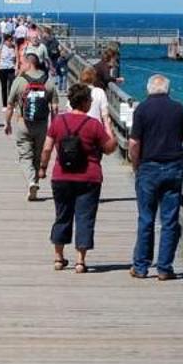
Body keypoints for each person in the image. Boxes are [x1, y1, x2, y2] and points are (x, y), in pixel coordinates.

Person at [44, 82, 118, 272]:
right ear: (85, 102)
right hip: (89, 178)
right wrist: (110, 130)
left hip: (61, 176)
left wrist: (42, 168)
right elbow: (109, 148)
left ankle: (59, 258)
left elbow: (47, 147)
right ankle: (80, 261)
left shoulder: (58, 121)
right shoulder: (93, 124)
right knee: (85, 218)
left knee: (62, 216)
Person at [129, 74, 183, 280]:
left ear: (149, 89)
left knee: (146, 218)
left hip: (148, 166)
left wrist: (135, 164)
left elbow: (133, 143)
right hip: (174, 166)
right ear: (168, 89)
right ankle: (165, 268)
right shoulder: (178, 108)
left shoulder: (142, 109)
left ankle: (141, 266)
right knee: (169, 219)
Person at [3, 54, 58, 201]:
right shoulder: (49, 82)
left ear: (28, 64)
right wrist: (55, 126)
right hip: (41, 125)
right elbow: (55, 108)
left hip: (23, 123)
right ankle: (35, 184)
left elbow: (10, 106)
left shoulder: (19, 81)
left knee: (25, 156)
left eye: (21, 63)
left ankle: (31, 181)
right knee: (38, 155)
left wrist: (7, 123)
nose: (20, 66)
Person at [0, 34, 19, 105]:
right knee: (4, 87)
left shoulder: (14, 48)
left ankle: (11, 103)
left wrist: (16, 67)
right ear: (5, 41)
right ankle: (5, 104)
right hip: (2, 69)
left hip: (11, 69)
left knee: (11, 87)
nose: (10, 42)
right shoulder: (1, 48)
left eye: (11, 41)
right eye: (9, 41)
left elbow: (17, 58)